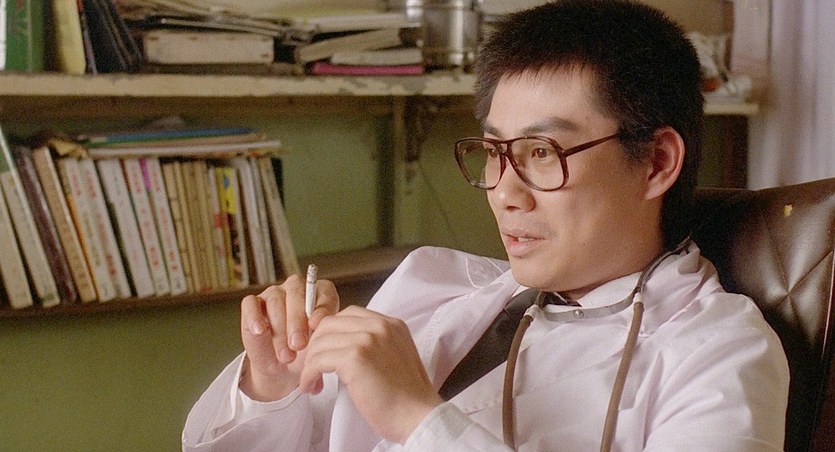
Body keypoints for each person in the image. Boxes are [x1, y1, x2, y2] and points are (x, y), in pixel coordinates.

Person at [182, 1, 789, 450]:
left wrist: (420, 421)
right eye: (496, 152)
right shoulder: (432, 286)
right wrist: (273, 386)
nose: (504, 193)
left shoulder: (719, 354)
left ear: (656, 163)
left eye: (543, 152)